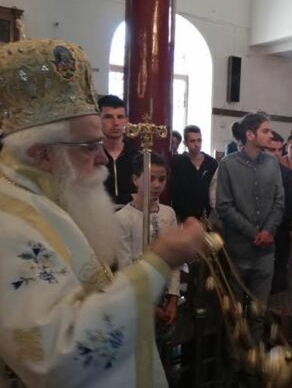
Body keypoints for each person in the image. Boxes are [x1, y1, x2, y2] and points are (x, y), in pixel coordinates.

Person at [0, 38, 206, 387]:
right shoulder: (9, 224)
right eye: (88, 146)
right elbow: (61, 354)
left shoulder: (46, 195)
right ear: (40, 153)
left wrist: (136, 290)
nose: (101, 157)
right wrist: (158, 262)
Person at [216, 113, 284, 376]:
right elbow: (224, 206)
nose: (270, 135)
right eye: (266, 131)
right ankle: (234, 368)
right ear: (250, 135)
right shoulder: (228, 165)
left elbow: (279, 202)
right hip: (238, 252)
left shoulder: (272, 164)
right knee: (234, 315)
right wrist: (254, 232)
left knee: (258, 313)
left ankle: (253, 366)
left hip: (265, 253)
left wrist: (268, 231)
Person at [115, 153, 180, 327]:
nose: (157, 185)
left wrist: (173, 297)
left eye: (162, 179)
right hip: (135, 295)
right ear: (135, 179)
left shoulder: (168, 213)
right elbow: (125, 267)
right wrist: (147, 305)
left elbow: (174, 259)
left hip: (164, 292)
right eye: (151, 179)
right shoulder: (123, 218)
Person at [266, 131, 292, 293]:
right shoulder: (255, 171)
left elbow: (290, 209)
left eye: (280, 150)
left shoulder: (288, 176)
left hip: (279, 231)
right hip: (256, 230)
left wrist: (271, 226)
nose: (277, 154)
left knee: (278, 274)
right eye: (273, 150)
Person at [171, 125, 218, 222]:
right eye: (192, 141)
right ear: (185, 143)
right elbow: (174, 190)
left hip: (205, 215)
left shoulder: (211, 163)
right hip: (183, 216)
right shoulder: (178, 162)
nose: (196, 144)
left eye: (199, 140)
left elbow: (215, 188)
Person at [98, 95, 140, 206]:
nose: (116, 123)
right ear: (98, 120)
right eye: (108, 117)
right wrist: (130, 197)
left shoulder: (138, 157)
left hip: (133, 216)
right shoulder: (91, 157)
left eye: (120, 117)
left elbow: (147, 196)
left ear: (126, 121)